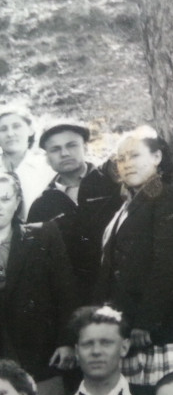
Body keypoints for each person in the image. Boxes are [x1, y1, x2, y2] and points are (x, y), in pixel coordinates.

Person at [94, 126, 173, 384]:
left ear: (156, 157)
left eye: (135, 155)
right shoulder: (125, 207)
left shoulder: (169, 196)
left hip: (156, 329)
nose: (126, 164)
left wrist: (146, 321)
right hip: (126, 328)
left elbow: (169, 263)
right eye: (121, 159)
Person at [0, 173, 78, 395]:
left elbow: (66, 293)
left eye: (5, 198)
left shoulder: (43, 235)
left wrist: (67, 341)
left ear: (17, 201)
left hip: (40, 352)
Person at [27, 122, 121, 304]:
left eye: (71, 145)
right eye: (55, 149)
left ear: (85, 148)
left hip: (120, 290)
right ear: (47, 158)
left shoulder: (114, 185)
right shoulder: (41, 205)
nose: (64, 153)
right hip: (72, 299)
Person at [38, 306, 154, 395]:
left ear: (124, 347)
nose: (96, 351)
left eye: (106, 343)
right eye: (87, 344)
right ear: (77, 351)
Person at [0, 106, 53, 219]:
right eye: (3, 129)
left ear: (30, 130)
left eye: (16, 126)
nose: (10, 134)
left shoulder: (47, 166)